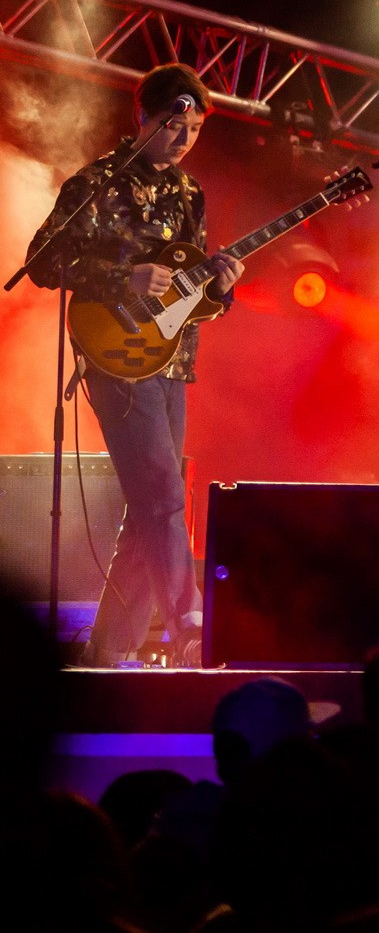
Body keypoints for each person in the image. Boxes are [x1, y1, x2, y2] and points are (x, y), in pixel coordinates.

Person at [24, 63, 244, 666]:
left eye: (195, 129)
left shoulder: (189, 193)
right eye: (175, 124)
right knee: (164, 500)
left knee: (149, 509)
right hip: (117, 360)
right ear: (142, 116)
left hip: (172, 362)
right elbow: (42, 263)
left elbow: (191, 295)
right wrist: (125, 278)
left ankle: (103, 657)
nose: (184, 139)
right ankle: (192, 626)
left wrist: (220, 289)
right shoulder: (96, 184)